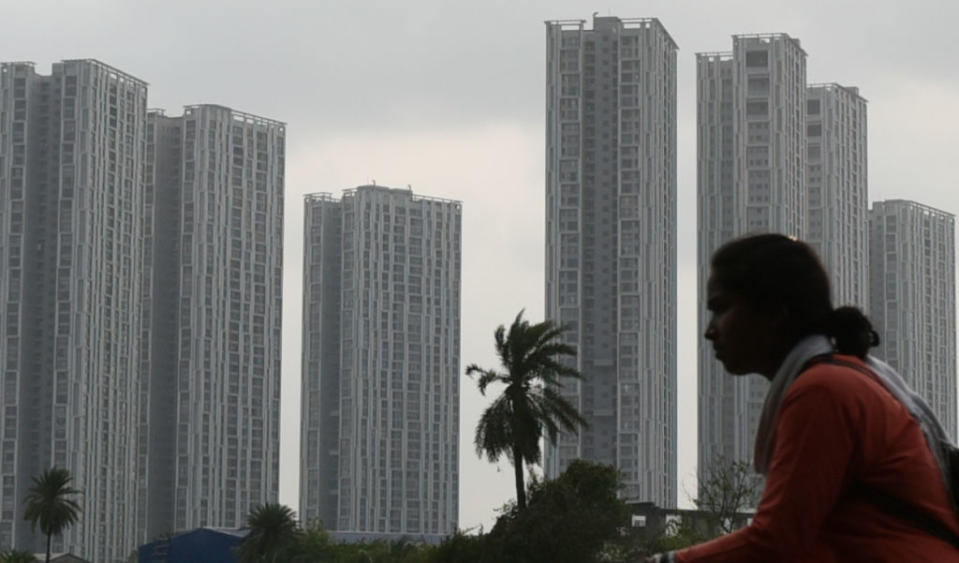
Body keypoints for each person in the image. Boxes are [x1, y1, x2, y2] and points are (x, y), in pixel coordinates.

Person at [648, 233, 959, 562]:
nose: (710, 330)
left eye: (721, 309)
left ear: (774, 312)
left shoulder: (823, 391)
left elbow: (775, 542)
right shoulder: (843, 379)